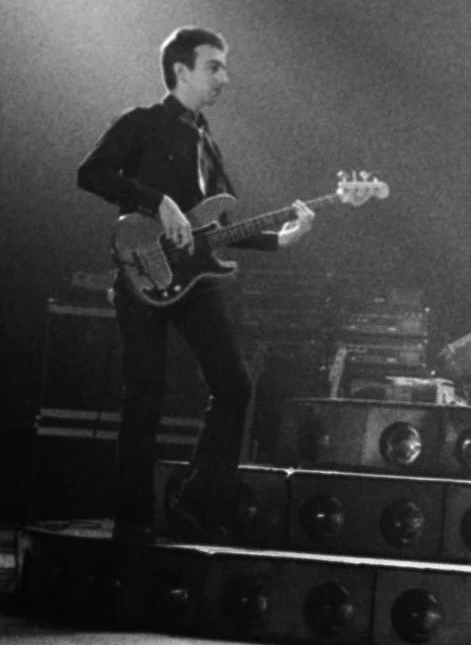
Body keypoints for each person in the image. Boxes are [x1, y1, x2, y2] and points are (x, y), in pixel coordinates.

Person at [78, 27, 316, 544]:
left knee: (234, 385)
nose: (224, 77)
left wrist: (281, 240)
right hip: (142, 272)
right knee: (143, 396)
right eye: (214, 66)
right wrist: (155, 201)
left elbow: (220, 227)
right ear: (181, 70)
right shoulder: (141, 122)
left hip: (196, 280)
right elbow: (90, 173)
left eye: (225, 67)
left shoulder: (208, 142)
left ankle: (196, 503)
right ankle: (133, 520)